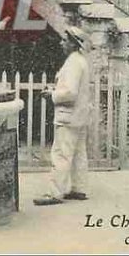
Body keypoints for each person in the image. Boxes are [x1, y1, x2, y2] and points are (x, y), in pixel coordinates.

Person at [34, 25, 92, 206]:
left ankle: (55, 193)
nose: (61, 43)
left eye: (65, 40)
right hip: (80, 116)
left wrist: (51, 95)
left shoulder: (73, 63)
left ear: (73, 44)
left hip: (68, 116)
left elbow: (70, 93)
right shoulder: (80, 60)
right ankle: (78, 188)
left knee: (61, 154)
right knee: (78, 154)